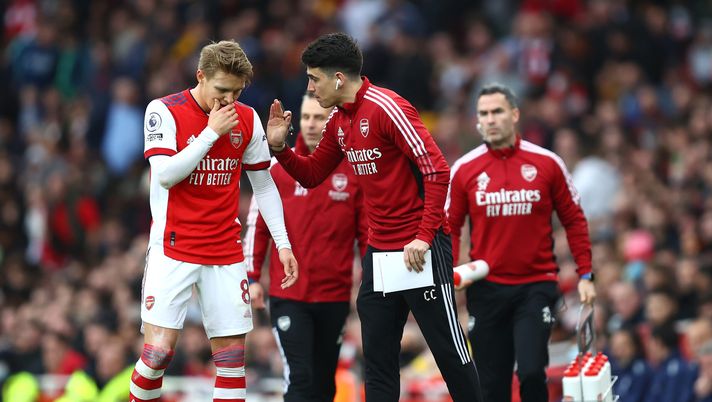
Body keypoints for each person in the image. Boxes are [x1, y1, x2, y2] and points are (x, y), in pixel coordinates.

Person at [266, 32, 483, 402]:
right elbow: (313, 174)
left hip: (420, 249)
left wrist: (423, 236)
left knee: (450, 353)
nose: (310, 87)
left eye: (314, 78)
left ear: (338, 78)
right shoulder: (340, 121)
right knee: (378, 362)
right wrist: (280, 148)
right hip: (380, 255)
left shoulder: (387, 107)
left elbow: (436, 171)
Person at [131, 40, 298, 402]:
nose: (228, 101)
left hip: (225, 252)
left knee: (232, 360)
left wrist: (283, 244)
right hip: (173, 248)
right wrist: (210, 133)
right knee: (157, 355)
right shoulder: (163, 110)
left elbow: (264, 187)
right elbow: (164, 175)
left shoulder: (249, 119)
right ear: (200, 76)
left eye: (237, 92)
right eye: (222, 90)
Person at [446, 83, 597, 402]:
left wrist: (585, 274)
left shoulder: (547, 163)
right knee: (492, 386)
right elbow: (450, 226)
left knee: (530, 372)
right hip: (486, 289)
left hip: (536, 285)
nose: (490, 119)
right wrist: (448, 272)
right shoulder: (464, 169)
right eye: (483, 113)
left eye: (497, 111)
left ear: (514, 115)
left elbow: (574, 219)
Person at [243, 92, 368, 402]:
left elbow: (365, 235)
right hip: (289, 296)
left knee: (325, 385)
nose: (311, 124)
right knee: (301, 377)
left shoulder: (351, 172)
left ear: (333, 123)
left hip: (334, 295)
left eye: (320, 118)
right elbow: (258, 227)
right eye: (307, 117)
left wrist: (371, 279)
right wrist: (253, 277)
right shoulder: (276, 169)